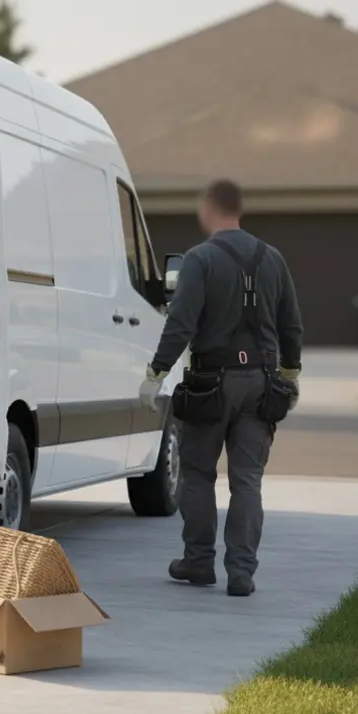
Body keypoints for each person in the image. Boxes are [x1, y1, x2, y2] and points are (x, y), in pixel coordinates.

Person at [138, 179, 304, 597]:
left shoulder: (200, 260)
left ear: (209, 209)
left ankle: (197, 561)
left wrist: (155, 373)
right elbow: (292, 325)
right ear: (239, 209)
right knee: (247, 480)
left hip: (210, 383)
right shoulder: (273, 259)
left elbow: (181, 324)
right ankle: (242, 572)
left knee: (197, 474)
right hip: (262, 385)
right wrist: (290, 374)